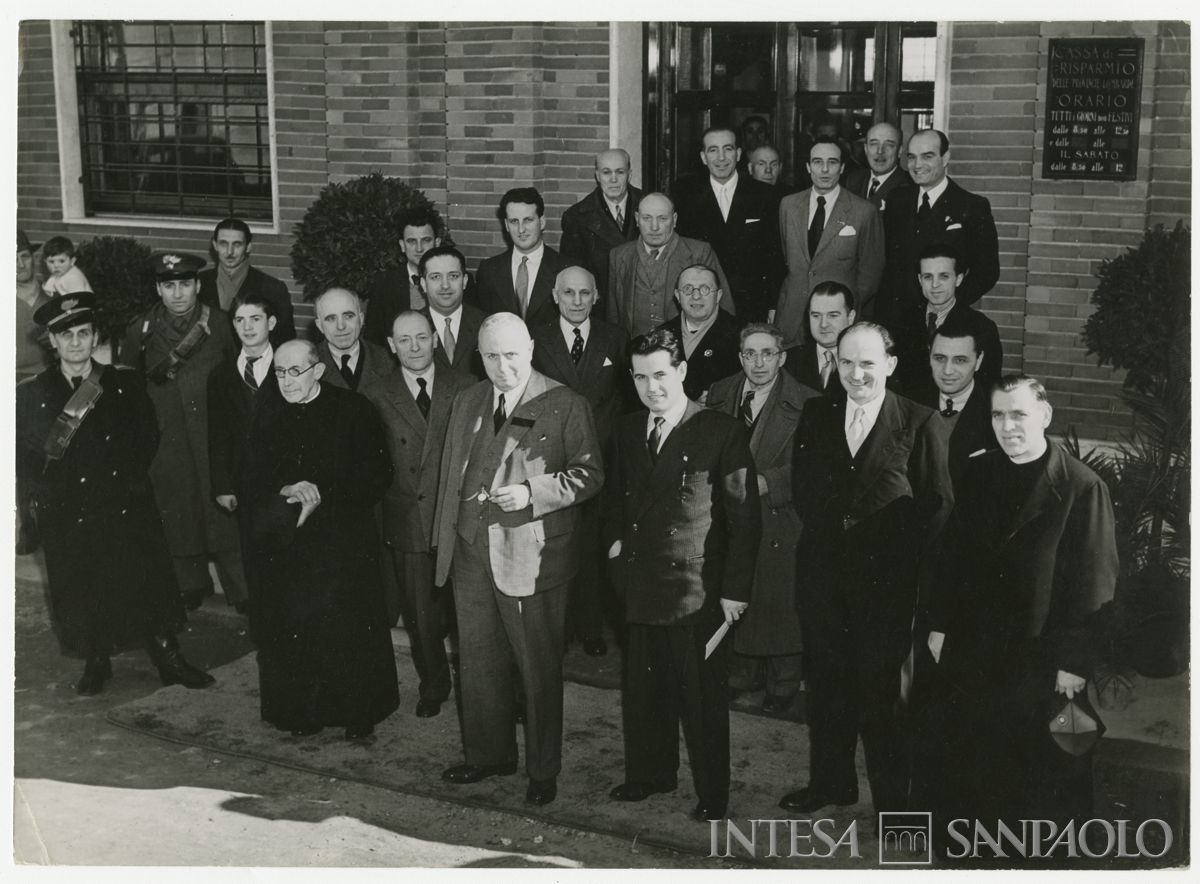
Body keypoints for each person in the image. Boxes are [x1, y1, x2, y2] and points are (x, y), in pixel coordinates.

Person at [921, 375, 1116, 840]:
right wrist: (939, 625)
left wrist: (1073, 662)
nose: (1007, 426)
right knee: (975, 757)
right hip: (977, 647)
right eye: (998, 415)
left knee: (1043, 772)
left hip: (1040, 656)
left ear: (1045, 417)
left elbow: (1095, 585)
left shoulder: (1081, 487)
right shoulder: (980, 471)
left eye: (1019, 414)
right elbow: (953, 556)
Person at [779, 321, 951, 818]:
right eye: (846, 361)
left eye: (868, 363)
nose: (856, 373)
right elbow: (807, 493)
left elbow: (935, 512)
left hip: (887, 590)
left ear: (891, 365)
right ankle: (831, 785)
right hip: (825, 581)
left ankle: (895, 806)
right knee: (828, 690)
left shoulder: (920, 422)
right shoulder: (816, 412)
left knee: (884, 701)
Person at [434, 313, 603, 807]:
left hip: (529, 557)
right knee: (479, 663)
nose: (503, 366)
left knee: (537, 667)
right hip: (470, 551)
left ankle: (542, 768)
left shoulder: (564, 403)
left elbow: (590, 474)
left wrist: (533, 492)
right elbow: (450, 478)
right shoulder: (468, 399)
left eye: (511, 354)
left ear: (530, 347)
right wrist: (445, 545)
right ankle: (489, 755)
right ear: (479, 356)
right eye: (491, 356)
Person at [16, 293, 214, 695]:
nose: (75, 343)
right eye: (65, 334)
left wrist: (122, 484)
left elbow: (146, 436)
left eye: (83, 333)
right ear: (51, 342)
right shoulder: (31, 393)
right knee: (80, 584)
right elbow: (24, 455)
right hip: (69, 508)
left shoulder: (122, 382)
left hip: (121, 501)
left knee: (144, 579)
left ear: (95, 338)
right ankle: (96, 659)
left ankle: (168, 657)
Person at [603, 328, 760, 822]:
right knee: (645, 690)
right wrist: (613, 552)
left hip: (696, 591)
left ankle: (713, 793)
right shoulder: (627, 429)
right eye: (642, 377)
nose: (653, 387)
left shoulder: (719, 429)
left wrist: (735, 591)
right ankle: (651, 774)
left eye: (662, 375)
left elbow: (744, 517)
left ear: (683, 372)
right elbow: (617, 501)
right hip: (641, 583)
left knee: (701, 701)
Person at [240, 340, 399, 740]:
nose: (286, 381)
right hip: (288, 546)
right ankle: (302, 713)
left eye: (295, 372)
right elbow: (250, 473)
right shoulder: (266, 410)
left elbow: (378, 473)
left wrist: (322, 491)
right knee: (295, 626)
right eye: (279, 372)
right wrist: (286, 488)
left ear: (318, 371)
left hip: (341, 541)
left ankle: (357, 713)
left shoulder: (353, 409)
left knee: (346, 628)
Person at [117, 251, 246, 612]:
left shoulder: (220, 325)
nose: (178, 293)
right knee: (177, 509)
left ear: (197, 285)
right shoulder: (139, 330)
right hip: (166, 438)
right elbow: (128, 387)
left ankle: (241, 587)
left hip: (212, 434)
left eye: (185, 284)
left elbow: (238, 380)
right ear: (158, 288)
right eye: (169, 285)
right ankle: (190, 582)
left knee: (224, 513)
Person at [365, 311, 475, 717]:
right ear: (392, 346)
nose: (414, 347)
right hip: (407, 516)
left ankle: (481, 687)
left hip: (456, 515)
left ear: (435, 339)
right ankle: (434, 684)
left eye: (422, 338)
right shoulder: (377, 393)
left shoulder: (465, 385)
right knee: (420, 614)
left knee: (469, 610)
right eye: (404, 340)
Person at [706, 323, 817, 713]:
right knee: (739, 589)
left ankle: (783, 683)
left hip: (778, 515)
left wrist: (769, 482)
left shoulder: (807, 402)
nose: (758, 362)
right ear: (740, 357)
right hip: (731, 513)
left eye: (767, 353)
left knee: (778, 600)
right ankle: (742, 674)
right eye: (750, 354)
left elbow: (814, 467)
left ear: (782, 357)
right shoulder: (720, 393)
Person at [531, 265, 633, 657]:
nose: (576, 301)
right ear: (555, 296)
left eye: (584, 294)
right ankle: (559, 627)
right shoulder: (537, 338)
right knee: (556, 542)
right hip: (550, 459)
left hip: (600, 458)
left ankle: (591, 627)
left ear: (596, 297)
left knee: (592, 542)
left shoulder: (614, 338)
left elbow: (624, 400)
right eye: (568, 293)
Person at [206, 293, 282, 615]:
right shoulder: (221, 375)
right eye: (240, 320)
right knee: (252, 551)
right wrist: (223, 485)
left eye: (255, 319)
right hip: (245, 483)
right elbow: (218, 435)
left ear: (271, 323)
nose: (248, 327)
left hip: (283, 481)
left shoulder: (288, 365)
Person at [879, 129, 1000, 327]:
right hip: (896, 320)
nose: (917, 165)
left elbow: (987, 272)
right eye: (912, 157)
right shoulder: (897, 199)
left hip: (943, 322)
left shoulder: (972, 206)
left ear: (945, 158)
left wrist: (949, 304)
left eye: (927, 156)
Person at [775, 138, 884, 342]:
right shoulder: (788, 205)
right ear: (808, 166)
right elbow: (785, 257)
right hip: (792, 316)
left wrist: (846, 307)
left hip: (837, 321)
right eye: (817, 162)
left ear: (842, 167)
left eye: (832, 162)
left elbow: (871, 273)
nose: (824, 169)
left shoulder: (863, 211)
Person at [671, 126, 784, 322]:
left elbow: (775, 257)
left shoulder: (766, 195)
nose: (721, 157)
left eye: (728, 149)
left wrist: (773, 305)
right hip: (702, 303)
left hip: (751, 305)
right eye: (713, 150)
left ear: (738, 154)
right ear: (703, 157)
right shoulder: (685, 194)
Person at [607, 192, 732, 338]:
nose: (654, 227)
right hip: (635, 352)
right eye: (647, 218)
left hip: (686, 351)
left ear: (674, 220)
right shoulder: (619, 255)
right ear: (637, 219)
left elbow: (724, 308)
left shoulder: (699, 253)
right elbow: (613, 316)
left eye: (662, 219)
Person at [896, 242, 1005, 397]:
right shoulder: (904, 321)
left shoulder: (981, 327)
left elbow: (988, 385)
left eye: (944, 276)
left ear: (958, 279)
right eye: (928, 277)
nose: (935, 285)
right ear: (920, 280)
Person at [473, 187, 570, 328]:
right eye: (514, 221)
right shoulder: (489, 270)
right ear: (506, 225)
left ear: (542, 222)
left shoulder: (566, 267)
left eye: (528, 220)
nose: (521, 229)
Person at [559, 148, 644, 305]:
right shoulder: (577, 217)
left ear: (629, 174)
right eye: (606, 172)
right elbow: (573, 271)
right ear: (597, 176)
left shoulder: (648, 204)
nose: (613, 179)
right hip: (603, 306)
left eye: (620, 172)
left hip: (643, 301)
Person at [198, 217, 295, 345]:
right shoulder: (198, 283)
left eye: (237, 244)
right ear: (215, 245)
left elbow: (285, 339)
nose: (229, 252)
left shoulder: (272, 288)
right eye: (223, 243)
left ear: (248, 247)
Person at [655, 264, 741, 402]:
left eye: (705, 289)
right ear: (677, 295)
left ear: (718, 295)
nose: (696, 296)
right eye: (687, 289)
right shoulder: (658, 336)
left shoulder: (739, 335)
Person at [363, 205, 445, 346]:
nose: (419, 248)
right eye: (412, 241)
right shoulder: (384, 284)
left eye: (426, 240)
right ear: (402, 245)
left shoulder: (455, 281)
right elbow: (373, 340)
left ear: (437, 243)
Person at [419, 244, 486, 381]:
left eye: (453, 276)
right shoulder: (411, 327)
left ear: (465, 281)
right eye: (436, 277)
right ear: (423, 284)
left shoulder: (485, 324)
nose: (445, 285)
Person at [313, 287, 392, 395]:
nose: (341, 326)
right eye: (331, 319)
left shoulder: (386, 359)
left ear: (361, 319)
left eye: (348, 316)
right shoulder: (309, 365)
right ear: (319, 326)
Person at [782, 282, 856, 396]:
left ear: (850, 317)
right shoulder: (788, 361)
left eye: (833, 315)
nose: (823, 324)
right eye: (816, 316)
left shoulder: (865, 362)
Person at [845, 122, 912, 208]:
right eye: (874, 144)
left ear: (899, 151)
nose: (880, 151)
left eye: (889, 145)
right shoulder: (853, 180)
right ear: (866, 149)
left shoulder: (910, 185)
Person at [17, 229, 51, 382]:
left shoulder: (54, 296)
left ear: (33, 258)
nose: (20, 265)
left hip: (49, 378)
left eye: (24, 256)